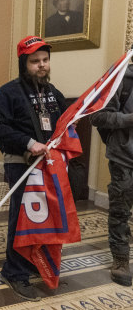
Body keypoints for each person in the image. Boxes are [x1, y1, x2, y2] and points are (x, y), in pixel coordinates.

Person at [0, 35, 67, 301]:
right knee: (22, 220)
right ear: (24, 63)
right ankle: (14, 271)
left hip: (49, 168)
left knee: (44, 217)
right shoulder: (8, 92)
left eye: (45, 60)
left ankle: (34, 259)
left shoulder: (54, 94)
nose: (42, 65)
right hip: (20, 164)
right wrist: (29, 142)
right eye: (35, 61)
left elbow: (66, 126)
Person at [90, 64, 133, 287]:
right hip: (124, 158)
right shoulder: (120, 78)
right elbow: (96, 116)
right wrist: (129, 119)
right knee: (120, 210)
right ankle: (120, 259)